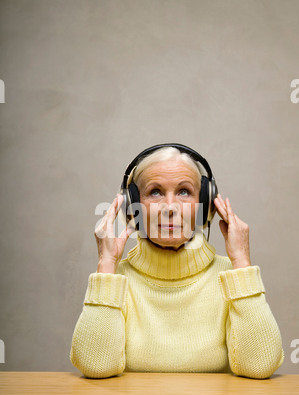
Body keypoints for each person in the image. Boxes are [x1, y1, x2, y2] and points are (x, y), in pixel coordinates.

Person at [70, 145, 284, 379]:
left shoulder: (232, 277)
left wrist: (241, 260)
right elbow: (95, 366)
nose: (169, 207)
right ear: (133, 208)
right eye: (155, 192)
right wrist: (107, 263)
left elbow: (259, 366)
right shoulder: (114, 280)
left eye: (184, 192)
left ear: (205, 205)